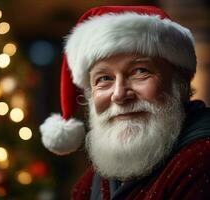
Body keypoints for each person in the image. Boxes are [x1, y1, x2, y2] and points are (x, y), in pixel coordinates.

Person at [40, 5, 210, 200]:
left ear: (179, 82)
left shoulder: (201, 161)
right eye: (104, 79)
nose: (119, 94)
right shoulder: (92, 181)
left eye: (140, 71)